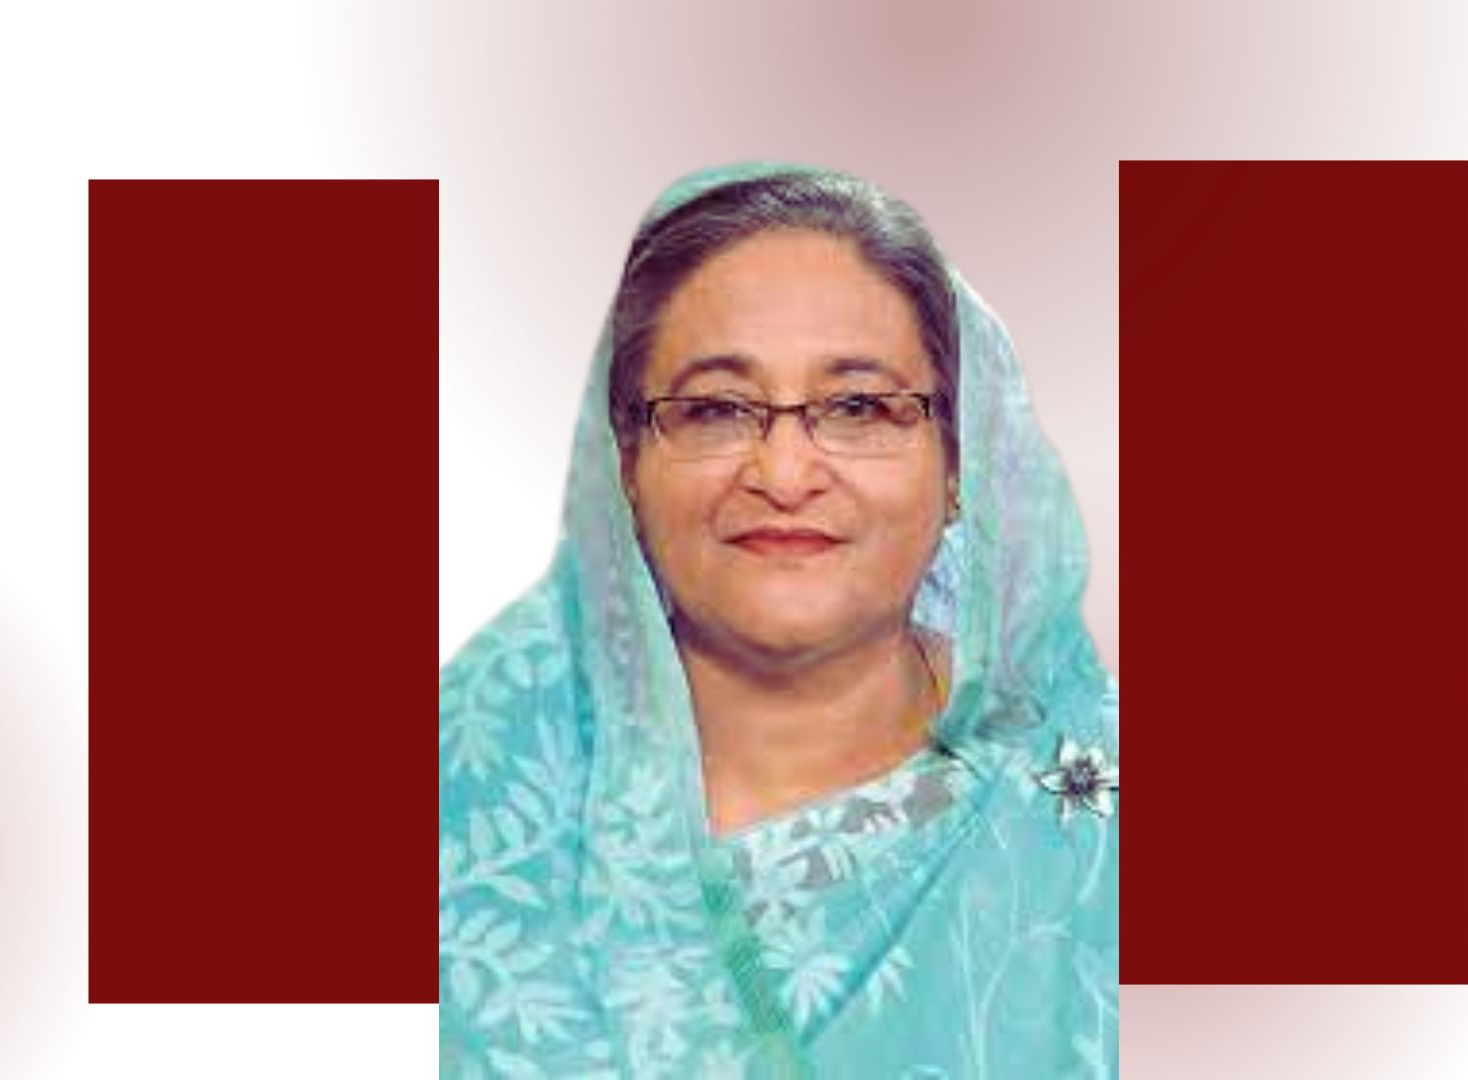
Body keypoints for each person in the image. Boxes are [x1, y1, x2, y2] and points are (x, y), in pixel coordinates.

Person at [439, 164, 1118, 1078]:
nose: (786, 474)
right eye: (715, 410)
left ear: (962, 461)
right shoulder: (468, 803)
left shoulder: (1091, 810)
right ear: (625, 463)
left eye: (860, 406)